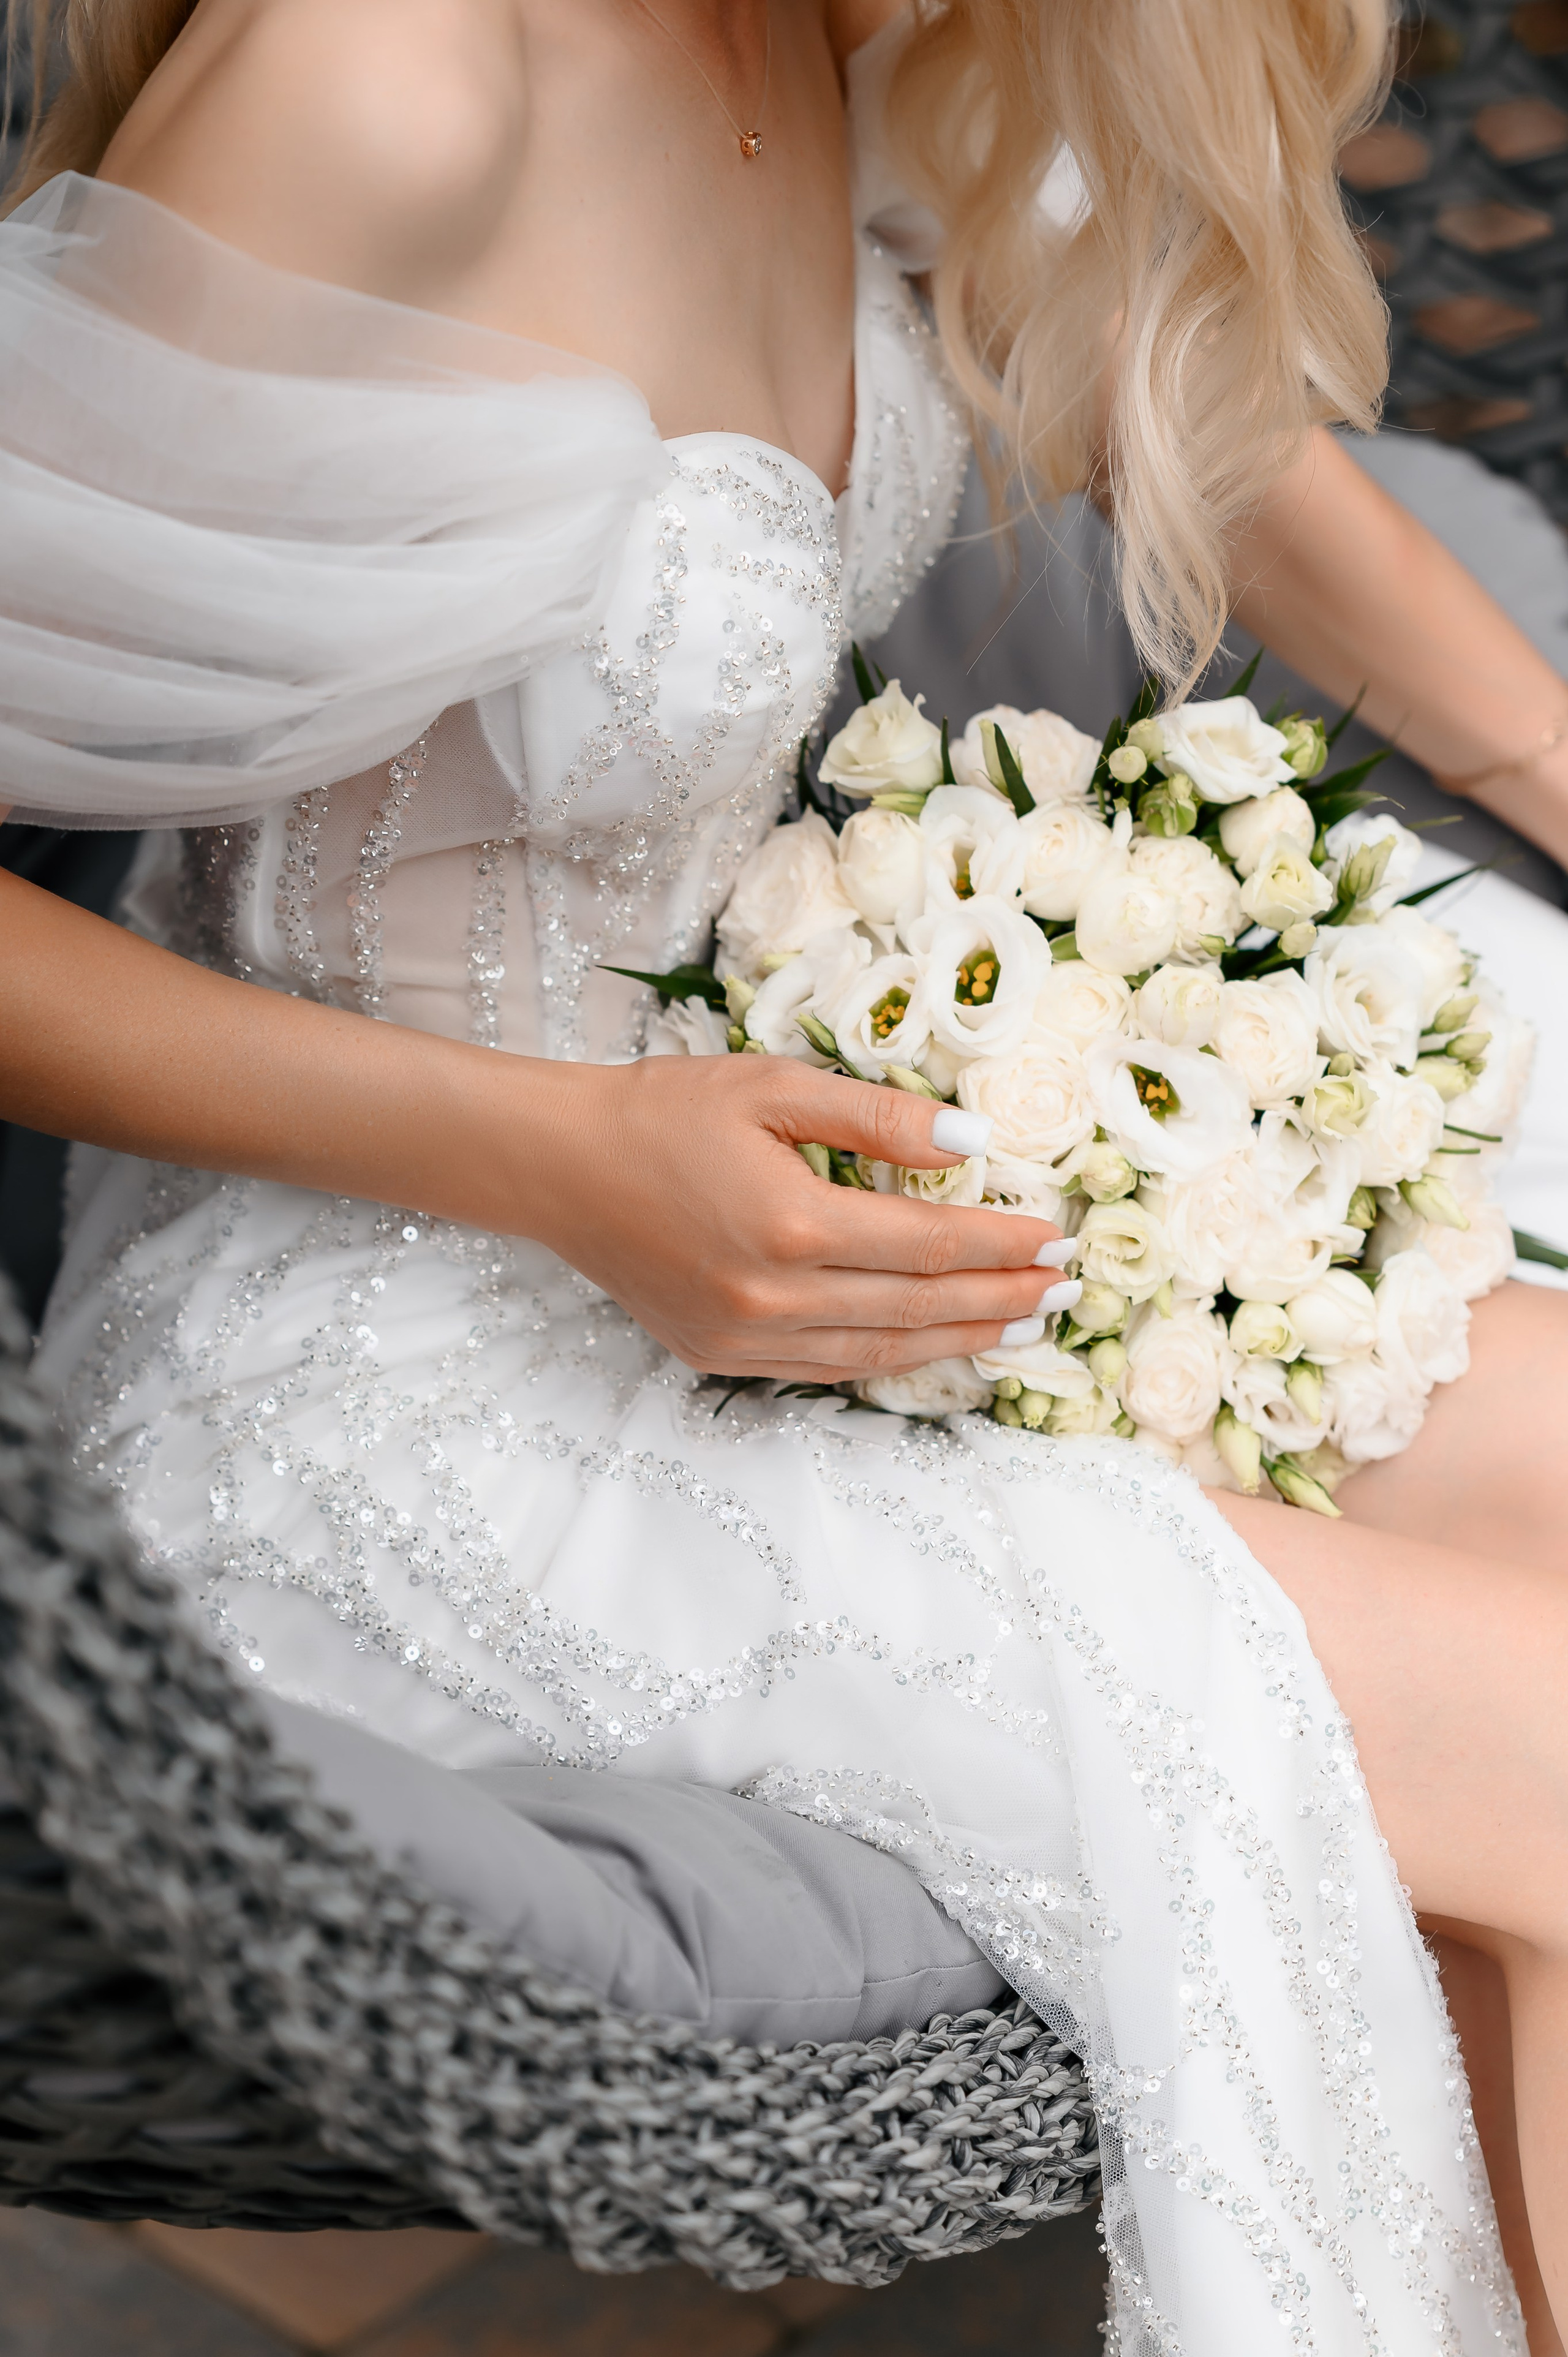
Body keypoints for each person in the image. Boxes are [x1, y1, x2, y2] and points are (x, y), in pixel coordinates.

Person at [2, 1, 1567, 2345]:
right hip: (397, 1351)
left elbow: (1186, 408)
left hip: (805, 1206)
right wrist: (568, 1163)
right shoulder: (392, 84)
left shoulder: (857, 38)